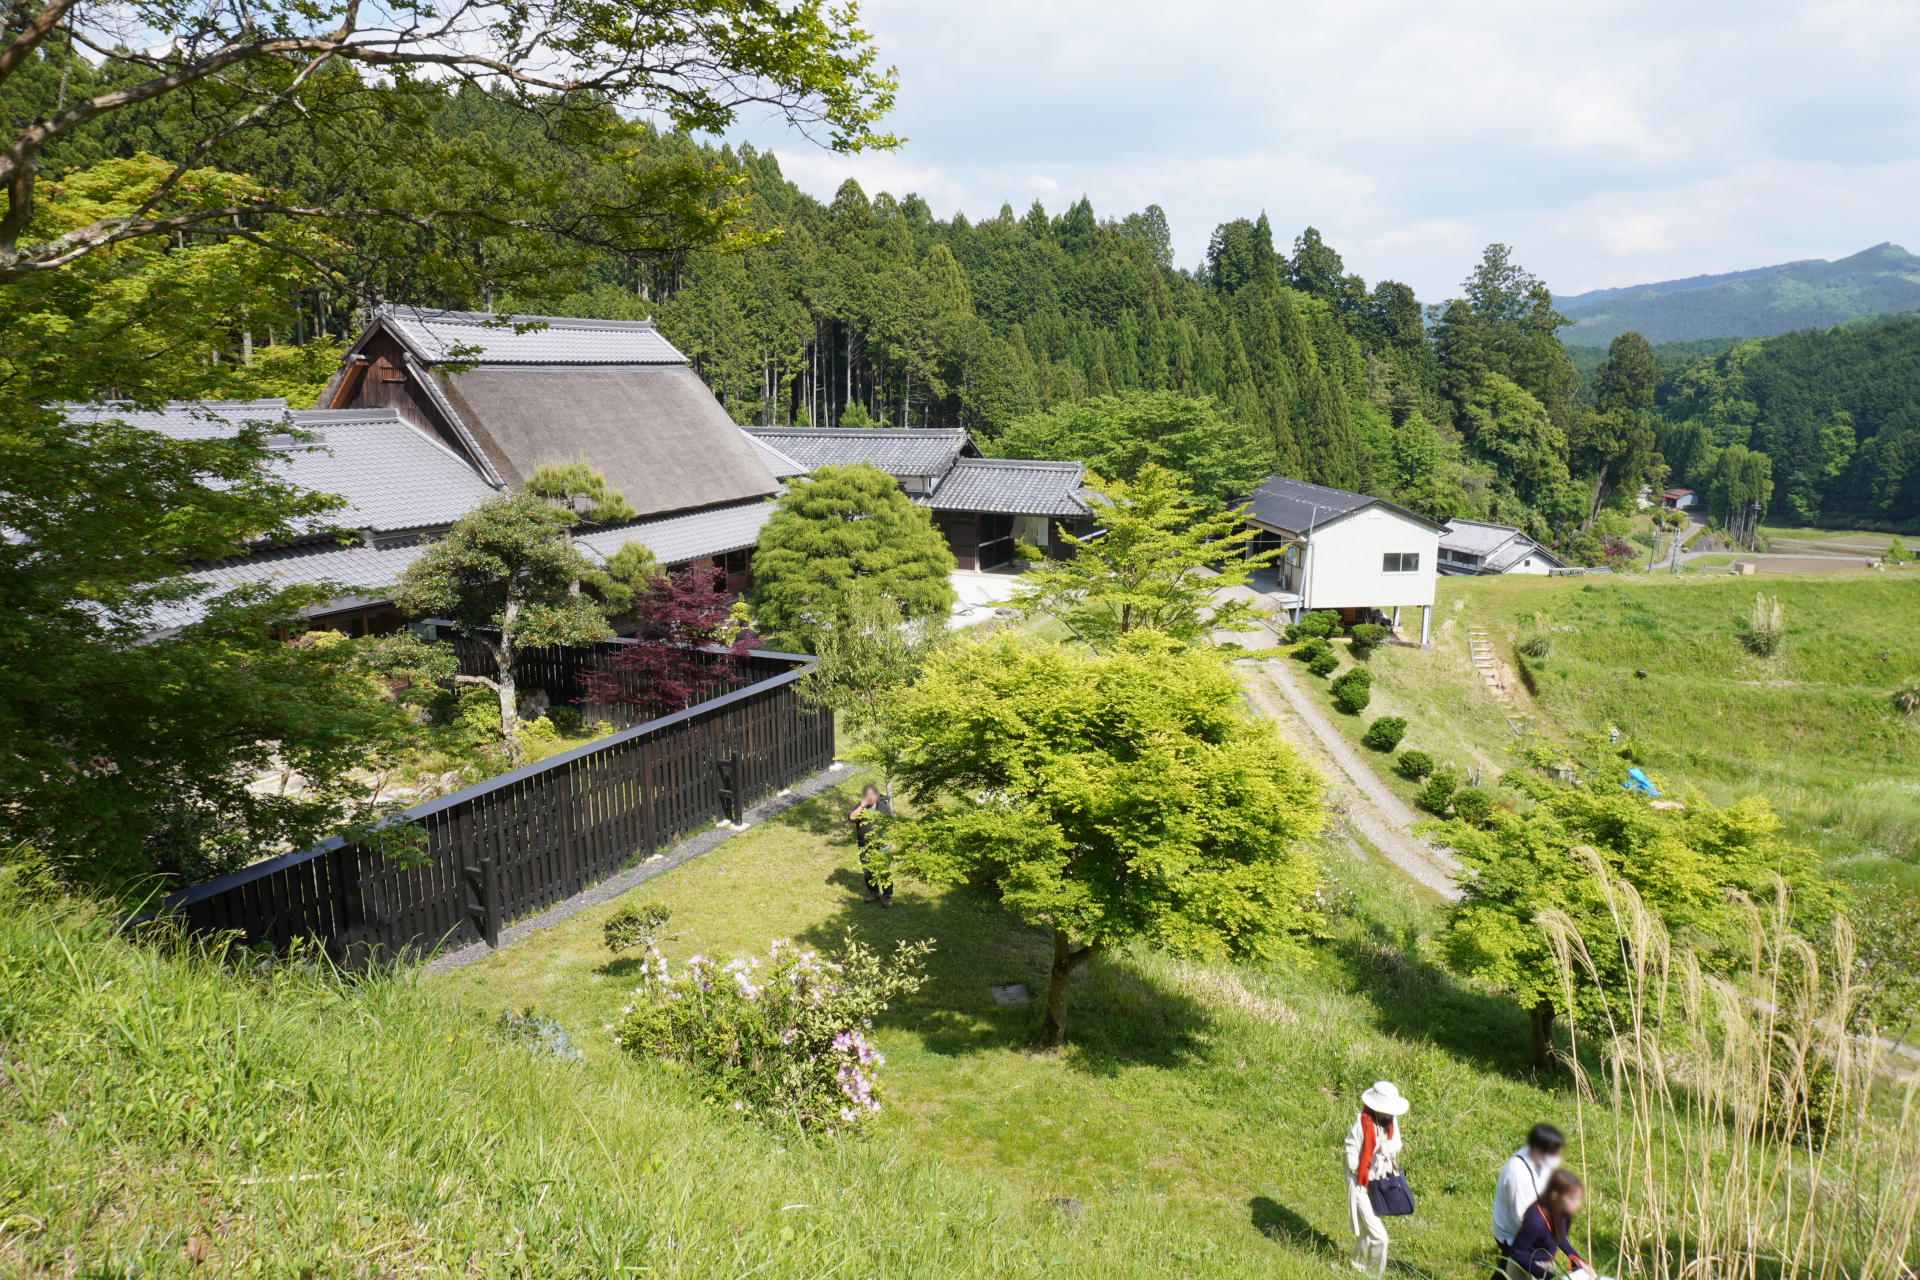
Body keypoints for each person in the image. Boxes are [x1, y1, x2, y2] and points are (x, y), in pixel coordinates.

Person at [1342, 1080, 1409, 1277]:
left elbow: (1396, 1144)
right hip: (1362, 1185)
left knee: (1366, 1229)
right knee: (1380, 1237)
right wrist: (1365, 1172)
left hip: (1378, 1185)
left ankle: (1357, 1265)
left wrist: (1387, 1149)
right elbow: (1350, 1153)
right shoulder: (1362, 1124)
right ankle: (1373, 1275)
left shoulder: (1391, 1122)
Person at [1498, 1169, 1592, 1280]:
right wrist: (1550, 1277)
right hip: (1525, 1270)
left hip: (1545, 1266)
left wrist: (1576, 1258)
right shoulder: (1536, 1220)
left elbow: (1557, 1235)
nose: (1578, 1205)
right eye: (1572, 1199)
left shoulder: (1560, 1211)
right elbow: (1517, 1253)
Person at [1493, 1124, 1565, 1256]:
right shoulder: (1517, 1177)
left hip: (1535, 1220)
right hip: (1512, 1236)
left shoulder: (1542, 1160)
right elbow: (1521, 1220)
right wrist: (1547, 1241)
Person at [848, 785, 894, 907]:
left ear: (877, 796)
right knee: (868, 872)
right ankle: (874, 893)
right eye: (867, 795)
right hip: (865, 847)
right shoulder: (859, 807)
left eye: (871, 795)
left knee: (884, 872)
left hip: (882, 847)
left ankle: (888, 896)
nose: (869, 798)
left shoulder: (883, 807)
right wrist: (861, 807)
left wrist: (893, 842)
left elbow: (890, 825)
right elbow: (851, 817)